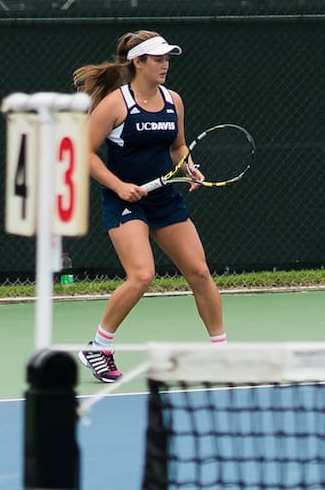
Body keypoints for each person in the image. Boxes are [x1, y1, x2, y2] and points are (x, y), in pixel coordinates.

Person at [72, 30, 227, 382]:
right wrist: (119, 186)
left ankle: (222, 352)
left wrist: (189, 164)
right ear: (137, 62)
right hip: (123, 200)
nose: (165, 64)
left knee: (200, 273)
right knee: (142, 275)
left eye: (167, 58)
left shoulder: (174, 100)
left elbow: (178, 146)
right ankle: (98, 346)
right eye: (157, 58)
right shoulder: (116, 104)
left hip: (164, 198)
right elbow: (85, 151)